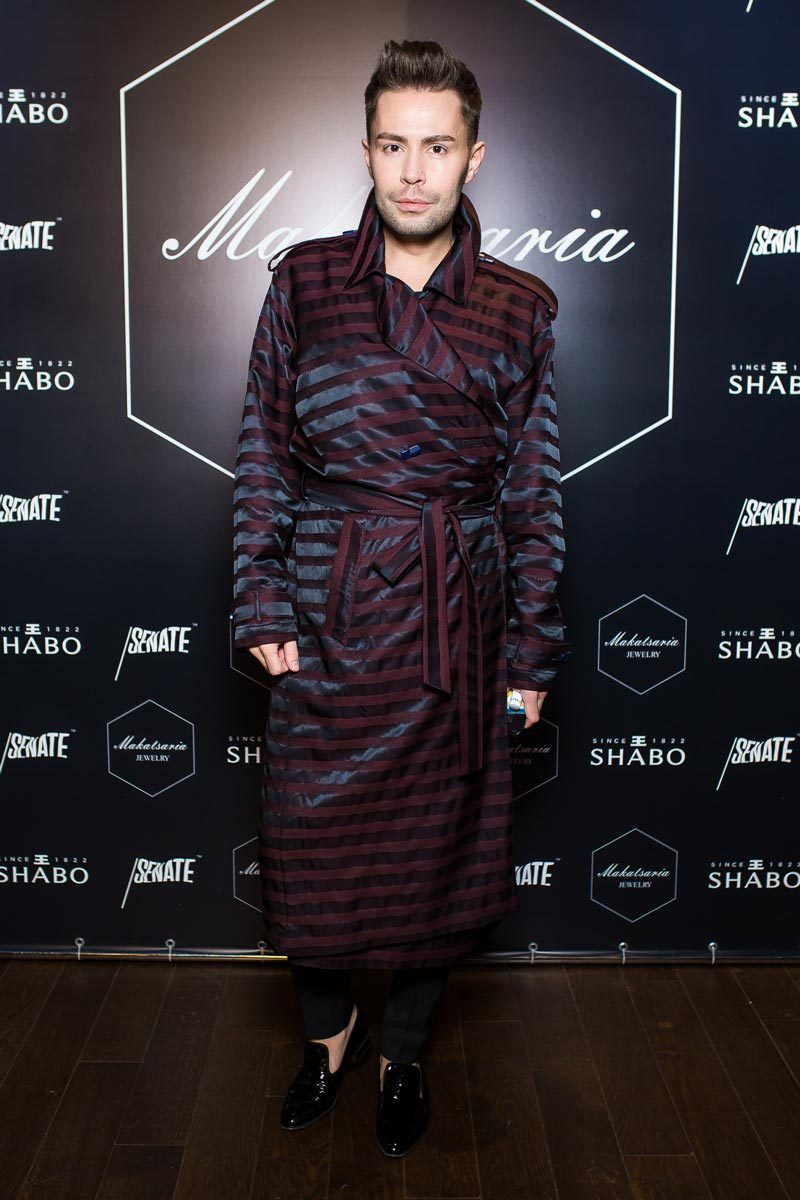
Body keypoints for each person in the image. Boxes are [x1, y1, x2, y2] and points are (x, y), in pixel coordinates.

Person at [231, 38, 572, 1158]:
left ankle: (403, 1056)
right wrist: (262, 605)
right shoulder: (303, 281)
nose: (413, 171)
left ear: (475, 156)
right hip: (327, 611)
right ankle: (327, 1041)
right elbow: (264, 457)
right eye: (392, 146)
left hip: (456, 619)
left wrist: (529, 655)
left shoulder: (518, 307)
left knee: (435, 858)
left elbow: (532, 494)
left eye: (436, 146)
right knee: (310, 843)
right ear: (366, 152)